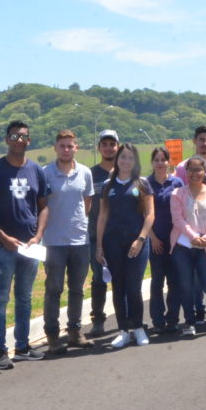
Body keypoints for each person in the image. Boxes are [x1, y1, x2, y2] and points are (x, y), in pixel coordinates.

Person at [0, 120, 48, 368]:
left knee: (25, 297)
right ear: (6, 139)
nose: (20, 140)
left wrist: (38, 236)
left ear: (29, 141)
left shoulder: (37, 171)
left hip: (29, 246)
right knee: (0, 297)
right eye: (15, 136)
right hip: (1, 246)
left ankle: (22, 346)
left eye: (24, 136)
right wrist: (3, 237)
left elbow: (43, 207)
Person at [40, 130, 96, 354]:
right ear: (55, 147)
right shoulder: (45, 173)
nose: (66, 149)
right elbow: (41, 204)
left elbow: (87, 202)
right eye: (62, 145)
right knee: (53, 289)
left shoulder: (85, 173)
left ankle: (75, 332)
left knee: (77, 290)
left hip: (79, 241)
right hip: (53, 242)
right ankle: (52, 335)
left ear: (76, 148)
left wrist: (78, 224)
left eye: (70, 146)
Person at [95, 143, 155, 348]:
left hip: (136, 243)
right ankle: (123, 331)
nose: (126, 161)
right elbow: (102, 216)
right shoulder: (107, 186)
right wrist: (99, 246)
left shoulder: (143, 183)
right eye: (123, 157)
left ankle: (138, 328)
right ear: (118, 159)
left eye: (130, 158)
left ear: (135, 161)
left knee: (134, 287)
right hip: (112, 243)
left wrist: (140, 239)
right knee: (118, 287)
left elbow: (150, 215)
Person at [170, 156, 206, 337]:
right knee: (186, 285)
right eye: (191, 170)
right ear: (186, 172)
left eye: (198, 170)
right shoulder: (177, 194)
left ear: (205, 172)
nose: (194, 173)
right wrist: (194, 237)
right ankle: (189, 321)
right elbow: (177, 219)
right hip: (183, 246)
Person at [174, 125, 206, 324]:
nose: (204, 143)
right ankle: (197, 312)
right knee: (190, 280)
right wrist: (192, 235)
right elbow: (180, 200)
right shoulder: (182, 167)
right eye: (201, 139)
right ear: (194, 141)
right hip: (187, 233)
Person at [146, 146, 184, 333]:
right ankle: (158, 320)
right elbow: (142, 214)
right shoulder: (146, 184)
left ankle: (173, 318)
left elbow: (184, 210)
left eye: (163, 159)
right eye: (157, 160)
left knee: (174, 281)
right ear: (152, 163)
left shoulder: (177, 183)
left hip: (175, 240)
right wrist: (151, 237)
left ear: (169, 162)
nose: (160, 163)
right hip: (155, 240)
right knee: (157, 281)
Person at [87, 129, 119, 337]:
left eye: (112, 144)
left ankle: (125, 319)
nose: (108, 148)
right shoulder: (90, 174)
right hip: (95, 237)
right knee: (99, 280)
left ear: (118, 146)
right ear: (99, 148)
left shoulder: (126, 171)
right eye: (104, 144)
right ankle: (98, 319)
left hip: (121, 237)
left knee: (121, 280)